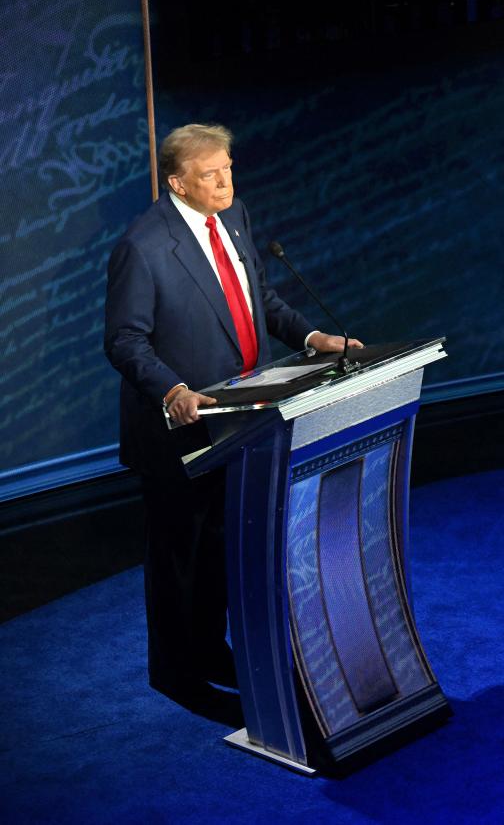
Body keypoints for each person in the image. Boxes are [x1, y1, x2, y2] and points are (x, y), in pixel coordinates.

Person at [104, 123, 361, 719]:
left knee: (223, 545)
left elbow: (257, 299)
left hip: (246, 417)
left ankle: (210, 649)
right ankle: (176, 674)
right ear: (177, 182)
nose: (227, 182)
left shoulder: (235, 215)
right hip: (181, 430)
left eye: (228, 168)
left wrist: (312, 335)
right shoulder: (143, 247)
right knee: (180, 554)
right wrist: (172, 388)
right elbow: (124, 339)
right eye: (211, 174)